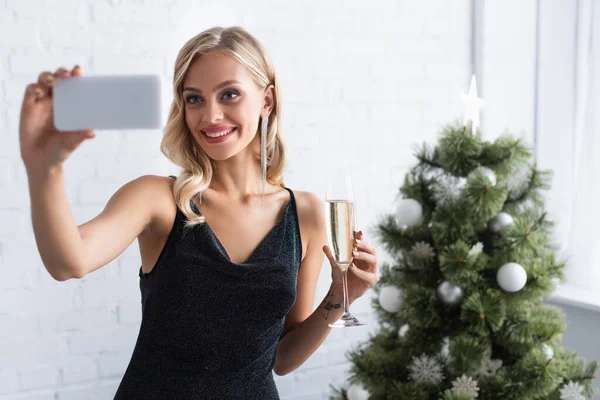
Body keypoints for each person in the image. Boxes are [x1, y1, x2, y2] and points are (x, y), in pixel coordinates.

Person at [19, 26, 379, 399]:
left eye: (229, 94)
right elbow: (68, 262)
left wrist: (341, 293)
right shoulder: (158, 199)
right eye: (194, 99)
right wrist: (45, 167)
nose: (211, 115)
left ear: (267, 100)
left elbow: (283, 358)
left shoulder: (305, 213)